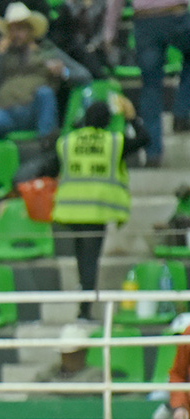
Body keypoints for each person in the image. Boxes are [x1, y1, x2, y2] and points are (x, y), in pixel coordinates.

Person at [49, 99, 148, 320]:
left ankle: (83, 304)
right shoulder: (113, 142)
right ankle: (85, 310)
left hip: (71, 210)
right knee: (90, 259)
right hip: (95, 211)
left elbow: (53, 166)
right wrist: (131, 117)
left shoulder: (68, 141)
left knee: (80, 257)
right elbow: (144, 139)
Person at [0, 3, 91, 145]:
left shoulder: (48, 51)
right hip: (6, 112)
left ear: (31, 30)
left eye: (19, 29)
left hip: (33, 110)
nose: (15, 34)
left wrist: (63, 71)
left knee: (45, 93)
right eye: (11, 30)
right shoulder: (4, 54)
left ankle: (46, 145)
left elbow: (85, 75)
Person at [104, 0, 189, 167]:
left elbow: (115, 2)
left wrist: (109, 33)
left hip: (145, 21)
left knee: (150, 86)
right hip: (176, 15)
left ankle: (152, 153)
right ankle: (181, 111)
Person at [35, 323, 104, 388]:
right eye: (65, 354)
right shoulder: (47, 375)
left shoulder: (95, 376)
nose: (69, 358)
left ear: (84, 353)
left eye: (74, 354)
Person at [164, 320, 190, 419]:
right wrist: (180, 406)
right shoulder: (188, 333)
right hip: (187, 406)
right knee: (159, 417)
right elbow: (177, 374)